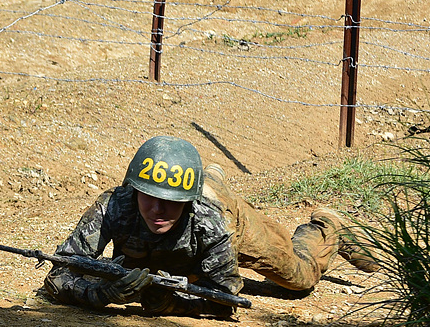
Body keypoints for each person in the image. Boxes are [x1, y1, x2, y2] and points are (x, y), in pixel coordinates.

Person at [43, 136, 378, 317]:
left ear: (188, 202)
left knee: (299, 279)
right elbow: (58, 274)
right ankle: (211, 174)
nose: (158, 209)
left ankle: (328, 227)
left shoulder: (212, 222)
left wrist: (173, 304)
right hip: (171, 239)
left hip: (228, 216)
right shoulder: (115, 205)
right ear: (134, 189)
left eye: (172, 200)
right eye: (149, 197)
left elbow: (225, 301)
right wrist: (102, 294)